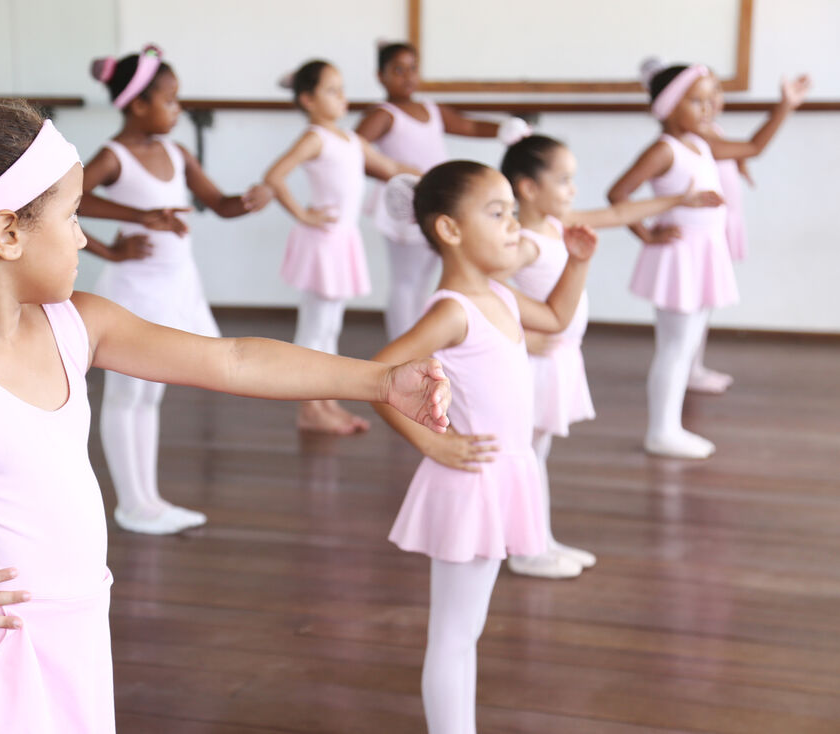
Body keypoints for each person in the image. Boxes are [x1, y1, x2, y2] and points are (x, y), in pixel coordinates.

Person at [0, 102, 451, 733]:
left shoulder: (75, 324)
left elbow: (232, 359)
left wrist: (381, 380)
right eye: (72, 216)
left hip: (76, 627)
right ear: (7, 235)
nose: (84, 238)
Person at [374, 163, 597, 733]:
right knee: (452, 635)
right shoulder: (450, 310)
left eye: (513, 214)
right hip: (468, 480)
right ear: (449, 230)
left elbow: (555, 318)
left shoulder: (499, 293)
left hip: (502, 473)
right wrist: (433, 444)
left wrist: (575, 262)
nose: (513, 226)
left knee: (465, 631)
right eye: (497, 213)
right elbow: (375, 377)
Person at [500, 132, 722, 578]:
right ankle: (524, 548)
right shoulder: (521, 241)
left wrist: (680, 199)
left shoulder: (557, 225)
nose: (573, 189)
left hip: (557, 358)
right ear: (528, 187)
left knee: (536, 453)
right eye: (564, 180)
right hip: (533, 361)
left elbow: (620, 212)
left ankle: (539, 538)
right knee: (524, 455)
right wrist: (521, 333)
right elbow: (485, 289)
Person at [81, 45, 274, 534]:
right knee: (127, 393)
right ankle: (130, 502)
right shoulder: (114, 156)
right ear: (138, 104)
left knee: (151, 395)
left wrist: (250, 199)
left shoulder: (176, 151)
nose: (178, 108)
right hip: (134, 292)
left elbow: (220, 204)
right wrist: (123, 235)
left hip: (176, 288)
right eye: (170, 100)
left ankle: (148, 499)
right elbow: (65, 199)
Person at [608, 62, 811, 458]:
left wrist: (785, 105)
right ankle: (662, 431)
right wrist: (647, 234)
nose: (709, 108)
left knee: (683, 345)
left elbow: (753, 147)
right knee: (675, 347)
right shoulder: (663, 150)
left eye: (711, 99)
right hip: (679, 257)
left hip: (701, 253)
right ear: (667, 106)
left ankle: (666, 427)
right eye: (696, 100)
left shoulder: (701, 143)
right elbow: (618, 194)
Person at [265, 58, 415, 434]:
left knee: (330, 327)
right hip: (322, 241)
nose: (341, 97)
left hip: (341, 239)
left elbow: (388, 164)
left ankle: (324, 401)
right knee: (315, 328)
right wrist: (303, 214)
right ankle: (308, 407)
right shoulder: (314, 137)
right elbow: (274, 176)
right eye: (331, 90)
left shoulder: (350, 138)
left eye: (342, 88)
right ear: (308, 99)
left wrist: (433, 176)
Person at [357, 41, 531, 340]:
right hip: (406, 205)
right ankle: (402, 343)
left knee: (427, 276)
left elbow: (469, 126)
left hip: (438, 201)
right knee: (406, 279)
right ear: (380, 75)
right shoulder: (383, 114)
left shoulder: (431, 109)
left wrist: (503, 129)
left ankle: (425, 341)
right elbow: (352, 150)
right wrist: (394, 171)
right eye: (398, 70)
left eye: (412, 68)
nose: (408, 76)